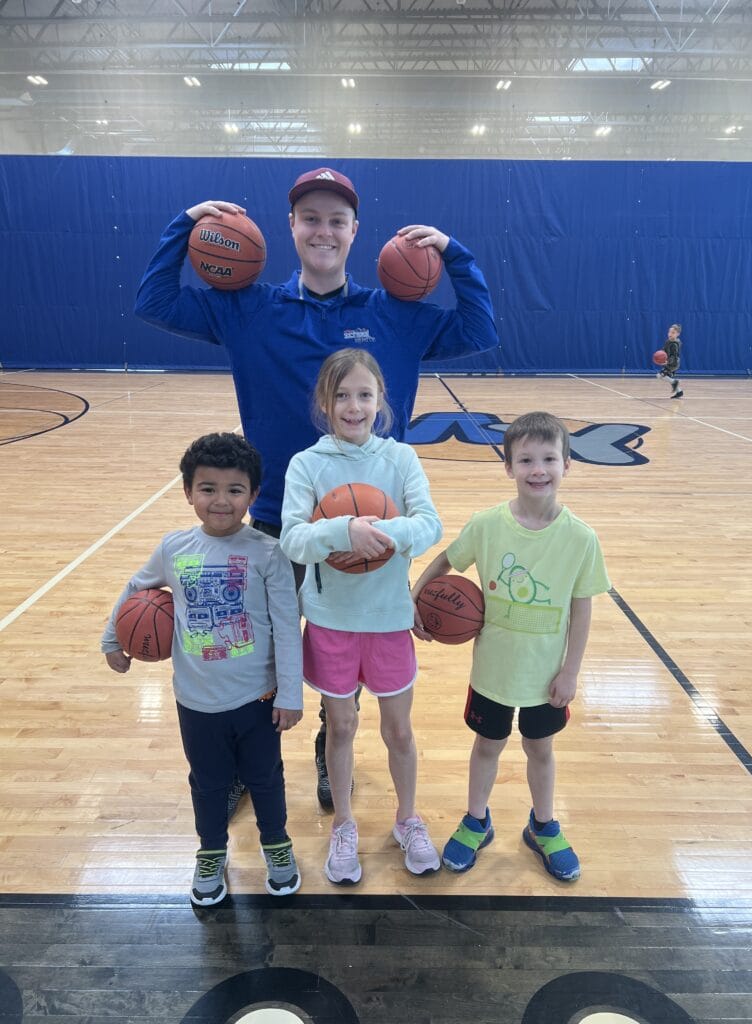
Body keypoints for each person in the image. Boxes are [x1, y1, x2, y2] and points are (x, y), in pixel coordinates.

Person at [134, 165, 498, 812]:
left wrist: (454, 253)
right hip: (273, 520)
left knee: (343, 647)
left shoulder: (396, 314)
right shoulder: (250, 308)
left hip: (368, 520)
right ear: (291, 228)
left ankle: (334, 750)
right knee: (261, 653)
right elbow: (155, 301)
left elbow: (479, 329)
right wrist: (184, 226)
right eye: (311, 218)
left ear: (356, 231)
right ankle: (252, 760)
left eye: (336, 219)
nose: (323, 230)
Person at [100, 433, 303, 906]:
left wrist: (291, 693)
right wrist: (114, 638)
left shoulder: (268, 552)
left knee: (265, 776)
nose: (220, 500)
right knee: (208, 782)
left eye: (235, 490)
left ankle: (276, 843)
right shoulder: (174, 548)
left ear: (254, 496)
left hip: (258, 696)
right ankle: (211, 849)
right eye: (207, 488)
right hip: (195, 699)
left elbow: (287, 628)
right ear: (188, 491)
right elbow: (137, 586)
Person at [411, 412, 610, 882]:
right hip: (493, 671)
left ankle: (543, 825)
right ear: (508, 467)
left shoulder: (581, 538)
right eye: (526, 460)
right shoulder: (487, 524)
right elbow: (445, 559)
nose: (538, 469)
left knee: (540, 750)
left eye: (548, 459)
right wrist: (414, 599)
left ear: (567, 464)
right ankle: (476, 819)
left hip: (546, 676)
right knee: (488, 745)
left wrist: (571, 671)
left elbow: (582, 610)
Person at [279, 349, 443, 884]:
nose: (354, 406)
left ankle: (406, 819)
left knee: (399, 730)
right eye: (343, 395)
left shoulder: (400, 460)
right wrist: (342, 531)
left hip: (389, 618)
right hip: (331, 619)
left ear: (380, 401)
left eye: (365, 395)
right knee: (343, 724)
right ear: (325, 403)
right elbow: (293, 539)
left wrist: (382, 535)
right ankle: (344, 824)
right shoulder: (307, 464)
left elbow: (429, 525)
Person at [657, 323, 683, 399]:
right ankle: (679, 392)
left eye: (673, 333)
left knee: (660, 375)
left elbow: (674, 357)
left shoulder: (674, 345)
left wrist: (667, 361)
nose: (670, 334)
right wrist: (660, 355)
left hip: (673, 364)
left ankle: (675, 382)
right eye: (669, 332)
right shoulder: (668, 341)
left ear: (677, 334)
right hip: (670, 363)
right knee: (668, 377)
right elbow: (664, 351)